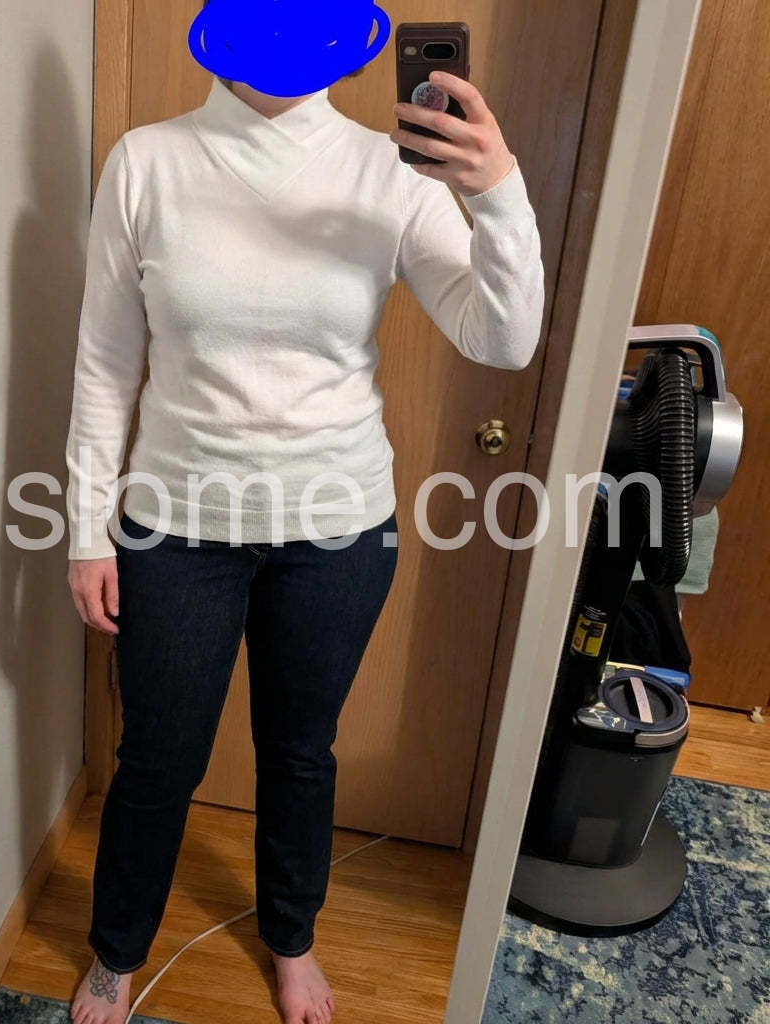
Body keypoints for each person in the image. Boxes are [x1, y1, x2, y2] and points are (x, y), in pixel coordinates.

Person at [65, 53, 545, 1024]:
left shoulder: (385, 171)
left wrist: (497, 191)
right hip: (176, 526)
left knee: (298, 751)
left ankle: (292, 939)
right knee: (157, 757)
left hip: (336, 530)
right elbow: (106, 361)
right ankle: (117, 952)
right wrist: (86, 528)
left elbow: (501, 337)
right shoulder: (147, 162)